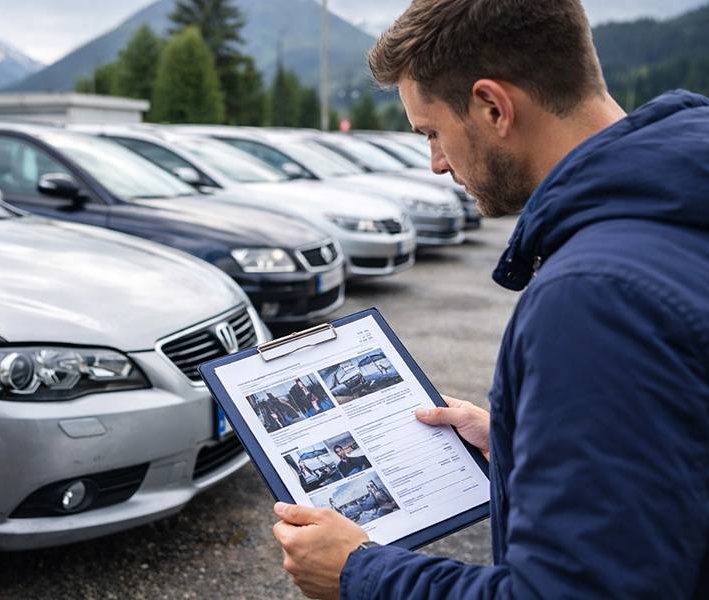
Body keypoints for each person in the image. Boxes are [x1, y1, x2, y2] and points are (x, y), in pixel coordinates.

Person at [271, 1, 709, 598]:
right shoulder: (679, 203)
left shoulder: (596, 298)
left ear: (492, 107)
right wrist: (516, 437)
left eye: (432, 132)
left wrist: (358, 572)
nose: (436, 163)